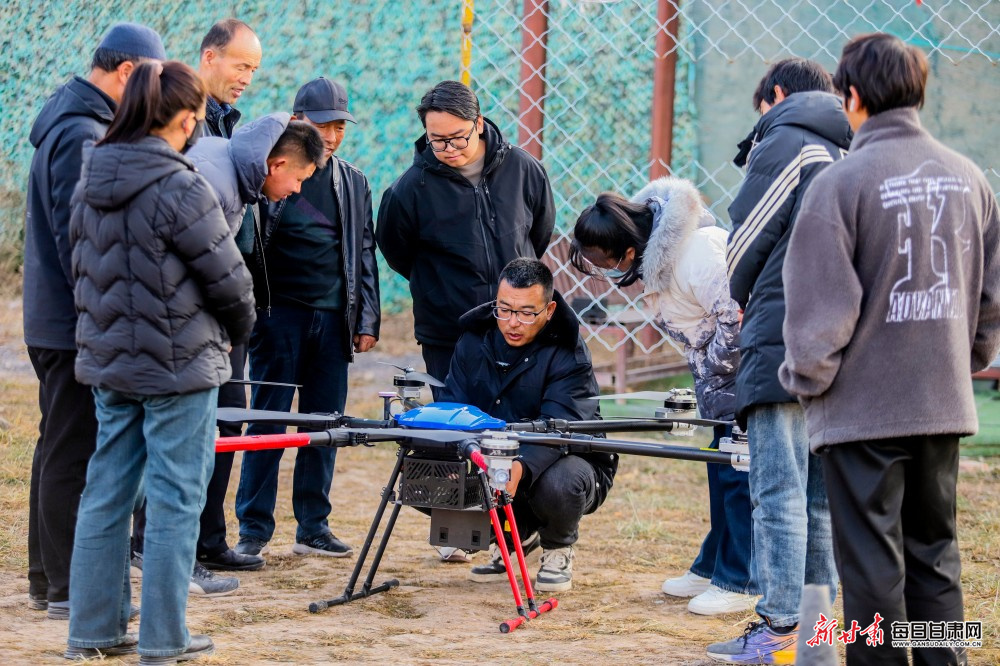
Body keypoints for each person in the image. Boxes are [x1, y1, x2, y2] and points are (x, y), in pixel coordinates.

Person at [780, 33, 1000, 666]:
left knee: (873, 567)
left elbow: (821, 310)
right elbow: (990, 299)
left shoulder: (840, 183)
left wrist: (806, 378)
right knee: (936, 553)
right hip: (941, 401)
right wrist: (965, 360)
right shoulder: (970, 179)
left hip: (864, 412)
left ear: (851, 96)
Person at [65, 61, 255, 663]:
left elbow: (80, 267)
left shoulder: (90, 177)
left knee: (105, 493)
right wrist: (238, 331)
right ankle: (164, 638)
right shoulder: (182, 185)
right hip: (180, 368)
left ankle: (92, 631)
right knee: (176, 500)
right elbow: (229, 279)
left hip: (110, 364)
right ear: (182, 117)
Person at [133, 113, 322, 589]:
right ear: (276, 163)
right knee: (181, 445)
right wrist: (236, 320)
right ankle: (165, 558)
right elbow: (201, 268)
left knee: (215, 431)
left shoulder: (235, 169)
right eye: (297, 179)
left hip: (198, 331)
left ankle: (202, 544)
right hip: (177, 335)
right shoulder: (214, 181)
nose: (297, 191)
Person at [708, 59, 853, 663]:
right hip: (837, 338)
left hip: (782, 332)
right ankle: (818, 631)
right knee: (818, 494)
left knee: (777, 488)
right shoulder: (846, 150)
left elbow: (746, 232)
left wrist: (738, 297)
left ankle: (778, 626)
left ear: (775, 94)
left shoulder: (787, 138)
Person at [22, 22, 165, 621]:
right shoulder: (82, 132)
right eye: (153, 82)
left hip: (61, 320)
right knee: (74, 450)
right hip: (74, 324)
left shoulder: (75, 120)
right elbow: (80, 239)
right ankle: (66, 588)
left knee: (59, 443)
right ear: (129, 72)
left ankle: (47, 577)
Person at [569, 177, 758, 615]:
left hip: (751, 375)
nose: (605, 275)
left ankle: (742, 579)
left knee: (739, 475)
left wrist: (713, 371)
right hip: (721, 384)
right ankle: (714, 565)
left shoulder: (698, 254)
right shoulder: (659, 265)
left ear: (630, 252)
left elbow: (739, 318)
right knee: (720, 469)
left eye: (604, 264)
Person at [233, 77, 381, 559]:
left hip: (334, 319)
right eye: (324, 124)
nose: (333, 135)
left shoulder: (353, 180)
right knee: (268, 422)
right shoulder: (264, 173)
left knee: (326, 424)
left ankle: (313, 526)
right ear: (298, 121)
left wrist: (367, 319)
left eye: (340, 125)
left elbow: (364, 252)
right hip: (279, 318)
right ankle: (253, 529)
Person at [437, 258, 617, 592]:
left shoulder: (568, 350)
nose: (513, 323)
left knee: (559, 483)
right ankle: (512, 537)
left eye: (526, 313)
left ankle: (557, 546)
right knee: (427, 473)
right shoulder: (474, 339)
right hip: (492, 453)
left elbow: (561, 427)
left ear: (549, 310)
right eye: (504, 309)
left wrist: (519, 467)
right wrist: (457, 455)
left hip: (568, 459)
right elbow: (454, 406)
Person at [376, 80, 555, 389]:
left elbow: (539, 232)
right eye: (438, 140)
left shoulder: (523, 169)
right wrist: (440, 288)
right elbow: (397, 252)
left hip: (517, 325)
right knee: (455, 425)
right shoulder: (408, 190)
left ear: (479, 123)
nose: (449, 149)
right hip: (448, 334)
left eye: (458, 138)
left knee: (517, 426)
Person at [197, 18, 261, 139]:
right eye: (241, 68)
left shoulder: (225, 120)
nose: (247, 80)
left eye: (253, 70)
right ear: (209, 58)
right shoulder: (180, 117)